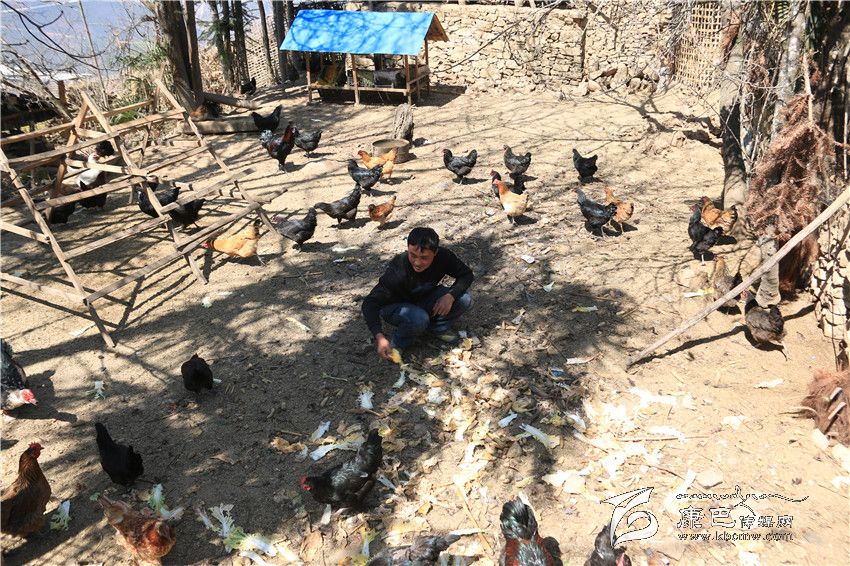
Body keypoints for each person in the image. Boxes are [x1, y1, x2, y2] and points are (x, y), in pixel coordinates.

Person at [362, 227, 474, 361]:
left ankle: (436, 327)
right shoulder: (398, 270)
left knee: (464, 299)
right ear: (407, 249)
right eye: (413, 255)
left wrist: (451, 296)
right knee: (419, 318)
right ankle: (398, 344)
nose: (417, 262)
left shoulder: (444, 257)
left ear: (435, 253)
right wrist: (379, 337)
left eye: (424, 258)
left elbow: (466, 274)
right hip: (395, 307)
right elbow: (370, 303)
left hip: (422, 297)